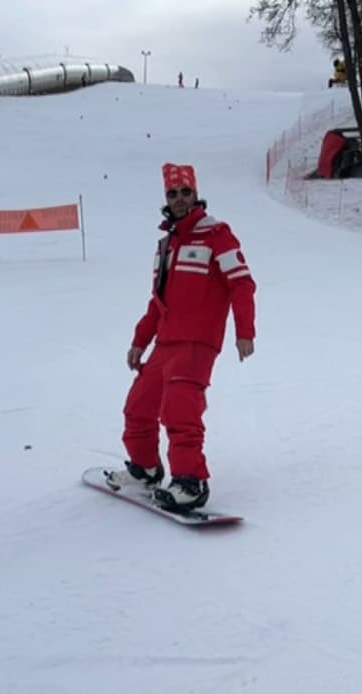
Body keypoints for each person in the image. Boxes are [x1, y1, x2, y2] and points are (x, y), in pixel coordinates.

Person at [105, 163, 256, 511]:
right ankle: (145, 470)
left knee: (179, 412)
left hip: (197, 344)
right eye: (173, 193)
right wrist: (140, 341)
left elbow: (242, 283)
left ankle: (191, 482)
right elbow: (158, 302)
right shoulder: (167, 244)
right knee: (138, 408)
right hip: (165, 343)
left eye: (185, 192)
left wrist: (244, 331)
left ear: (196, 193)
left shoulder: (217, 235)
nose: (179, 199)